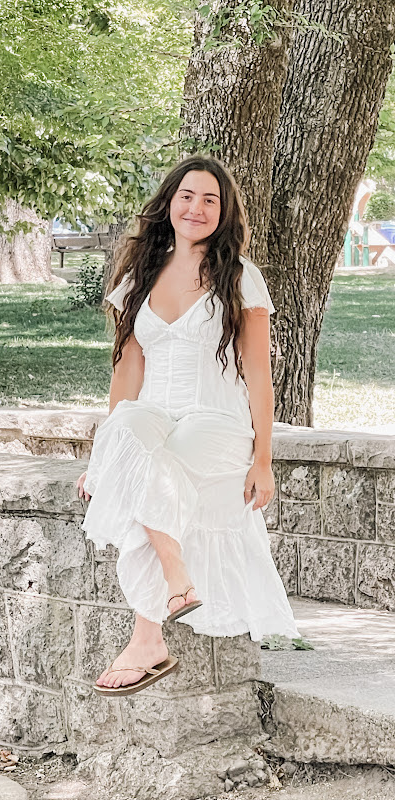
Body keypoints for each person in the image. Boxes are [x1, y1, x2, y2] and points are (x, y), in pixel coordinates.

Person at [76, 155, 300, 697]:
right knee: (129, 430)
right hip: (154, 413)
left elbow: (259, 376)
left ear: (223, 214)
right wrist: (102, 458)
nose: (196, 208)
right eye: (187, 196)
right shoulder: (138, 275)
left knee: (163, 467)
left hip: (216, 420)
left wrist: (263, 459)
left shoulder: (241, 278)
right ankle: (178, 581)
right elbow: (128, 369)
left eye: (210, 200)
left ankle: (146, 638)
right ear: (169, 202)